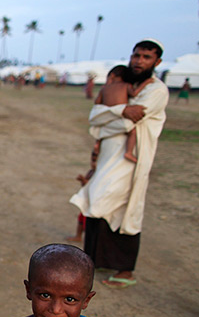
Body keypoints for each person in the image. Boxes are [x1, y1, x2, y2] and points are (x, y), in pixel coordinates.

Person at [70, 39, 169, 289]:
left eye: (146, 57)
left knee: (124, 211)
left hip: (130, 163)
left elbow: (128, 122)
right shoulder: (122, 85)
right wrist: (120, 113)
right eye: (136, 55)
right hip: (108, 159)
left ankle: (126, 271)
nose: (139, 61)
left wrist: (110, 120)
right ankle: (97, 261)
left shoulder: (156, 90)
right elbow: (95, 119)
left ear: (156, 62)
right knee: (97, 205)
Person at [94, 65, 153, 163]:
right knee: (132, 131)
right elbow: (134, 93)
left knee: (101, 133)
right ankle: (129, 152)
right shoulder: (126, 86)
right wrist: (146, 83)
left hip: (108, 117)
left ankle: (97, 146)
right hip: (120, 116)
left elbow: (97, 102)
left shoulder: (104, 88)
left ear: (112, 76)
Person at [67, 142, 99, 242]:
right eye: (92, 160)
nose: (93, 163)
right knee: (81, 220)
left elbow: (92, 187)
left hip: (93, 204)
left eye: (96, 160)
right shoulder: (91, 172)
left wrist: (84, 181)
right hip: (87, 201)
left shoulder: (100, 174)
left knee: (88, 223)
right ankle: (78, 236)